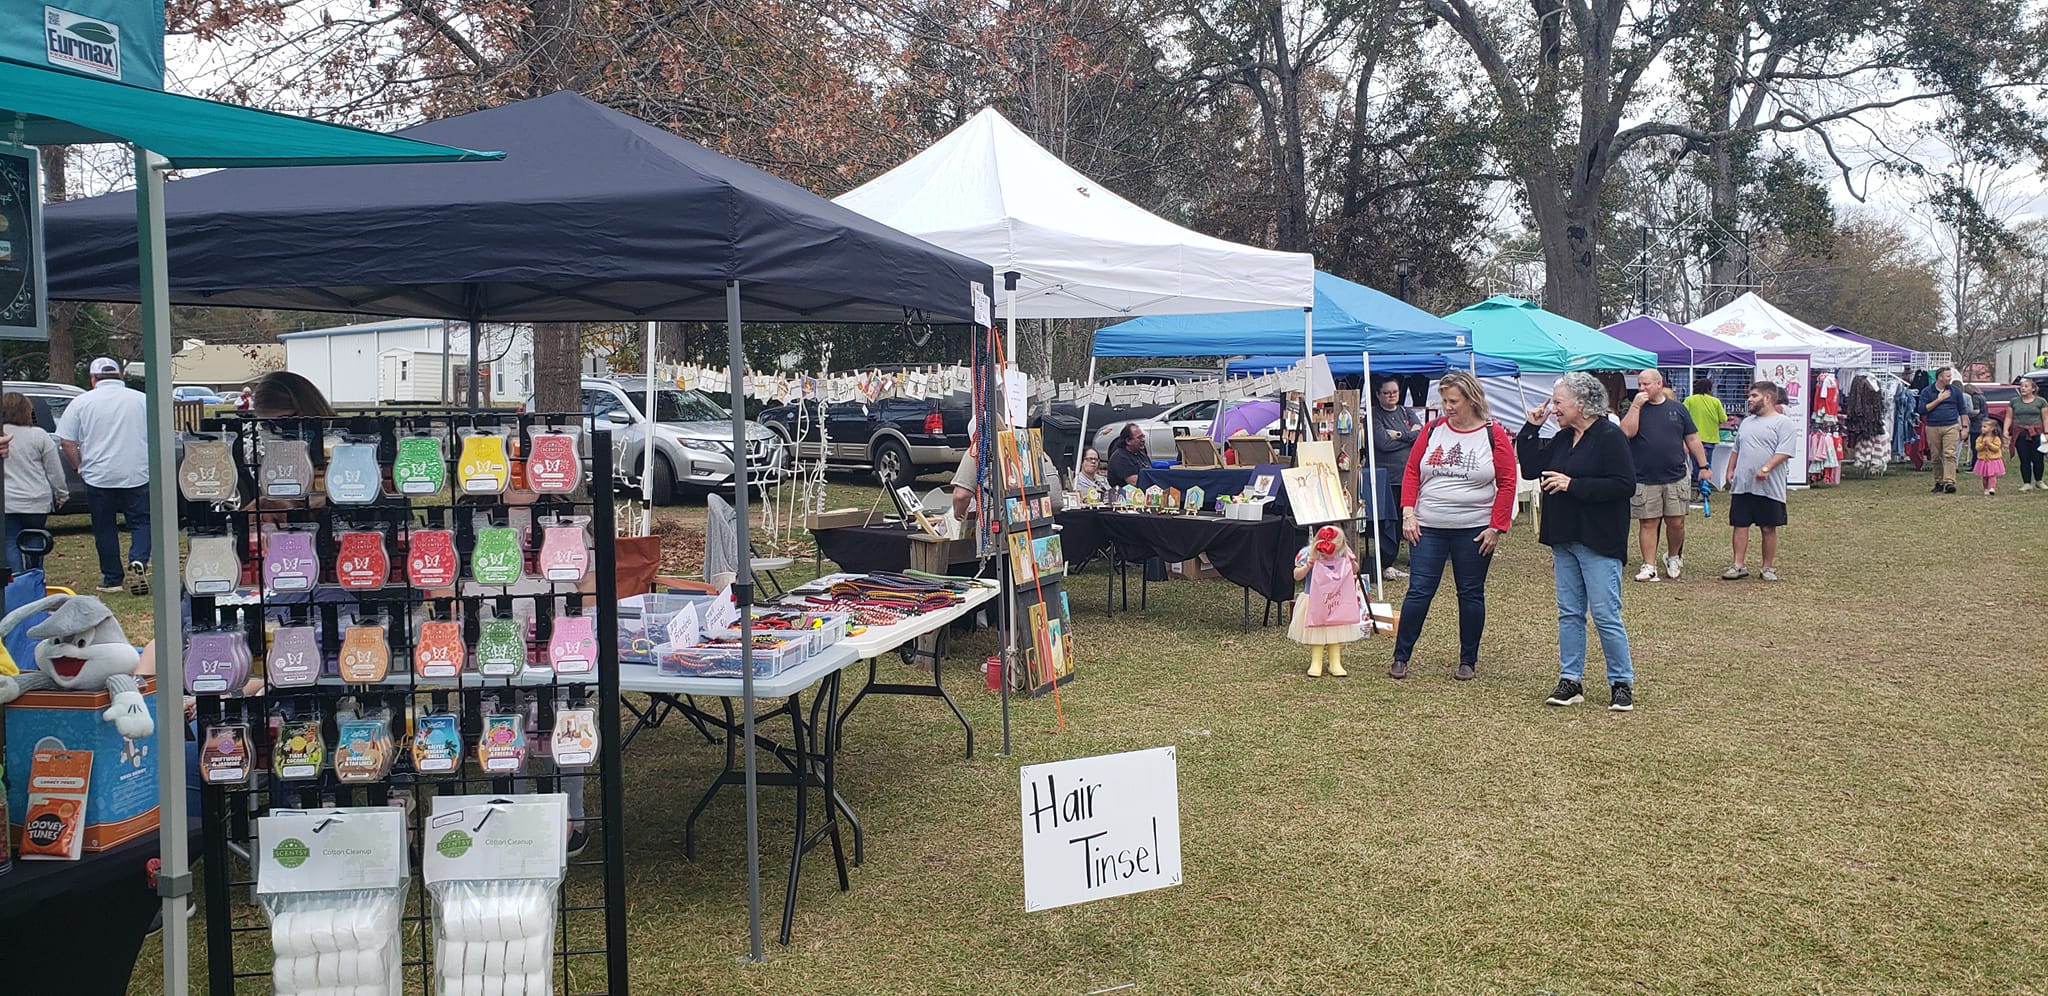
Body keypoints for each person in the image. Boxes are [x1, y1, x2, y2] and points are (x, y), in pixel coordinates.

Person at [1516, 371, 1638, 712]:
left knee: (1605, 614)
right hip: (1564, 536)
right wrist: (1531, 429)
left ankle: (1621, 683)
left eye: (1558, 402)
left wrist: (1574, 485)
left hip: (1598, 538)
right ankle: (1570, 680)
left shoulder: (1610, 437)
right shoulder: (1563, 437)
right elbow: (1531, 468)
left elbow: (1624, 484)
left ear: (1582, 404)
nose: (1553, 408)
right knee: (1569, 613)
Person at [1388, 371, 1514, 681]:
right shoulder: (1432, 429)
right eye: (1444, 400)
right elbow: (1412, 472)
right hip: (1428, 524)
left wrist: (1496, 527)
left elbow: (1508, 482)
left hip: (1474, 527)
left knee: (1470, 593)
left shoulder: (1493, 433)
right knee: (1419, 590)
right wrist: (1409, 513)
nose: (1448, 407)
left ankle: (1468, 660)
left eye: (1454, 401)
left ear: (1472, 400)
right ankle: (1401, 656)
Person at [55, 357, 151, 595]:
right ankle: (138, 558)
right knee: (141, 522)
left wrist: (78, 466)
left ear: (93, 378)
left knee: (104, 527)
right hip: (137, 471)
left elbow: (67, 441)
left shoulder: (81, 402)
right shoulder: (142, 400)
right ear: (120, 376)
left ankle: (112, 578)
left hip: (98, 474)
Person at [1620, 369, 1708, 582]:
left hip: (1675, 475)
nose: (1641, 389)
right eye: (1639, 384)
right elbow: (1626, 432)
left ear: (1659, 384)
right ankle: (1649, 565)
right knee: (1648, 522)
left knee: (1676, 522)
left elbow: (1692, 439)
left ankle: (1673, 556)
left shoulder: (1677, 409)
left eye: (1646, 384)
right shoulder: (1634, 408)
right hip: (1644, 476)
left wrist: (1703, 465)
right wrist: (1635, 407)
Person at [1719, 381, 1797, 581]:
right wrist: (1730, 469)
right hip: (1743, 484)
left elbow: (1785, 451)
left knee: (1768, 526)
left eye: (1754, 396)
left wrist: (1767, 467)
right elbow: (1736, 448)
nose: (1749, 399)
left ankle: (1767, 567)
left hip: (1769, 487)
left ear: (1767, 398)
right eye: (1749, 396)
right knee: (1740, 524)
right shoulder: (1746, 422)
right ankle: (1738, 565)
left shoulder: (1783, 423)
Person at [1, 392, 68, 573]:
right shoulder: (39, 435)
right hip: (35, 499)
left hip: (7, 500)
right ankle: (35, 575)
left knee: (9, 541)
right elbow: (54, 470)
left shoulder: (2, 436)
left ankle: (16, 578)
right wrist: (61, 493)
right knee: (35, 537)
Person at [1289, 525, 1362, 677]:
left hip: (1336, 599)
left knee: (1335, 628)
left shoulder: (1343, 553)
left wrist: (1352, 562)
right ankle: (1316, 661)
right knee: (1317, 629)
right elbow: (1296, 575)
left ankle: (1335, 662)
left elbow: (1354, 571)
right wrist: (1308, 565)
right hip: (1314, 599)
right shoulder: (1307, 553)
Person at [1369, 376, 1422, 579]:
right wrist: (1409, 435)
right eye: (1386, 393)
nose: (1391, 396)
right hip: (1386, 478)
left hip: (1408, 475)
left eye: (1394, 392)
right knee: (1389, 522)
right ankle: (1386, 562)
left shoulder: (1407, 412)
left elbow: (1421, 435)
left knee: (1410, 517)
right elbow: (1383, 443)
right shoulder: (1374, 415)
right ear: (1378, 394)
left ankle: (1415, 557)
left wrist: (1399, 435)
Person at [1918, 367, 1969, 493]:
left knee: (1949, 454)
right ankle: (1939, 482)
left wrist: (1964, 427)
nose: (1950, 379)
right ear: (1940, 377)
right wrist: (1939, 400)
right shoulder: (1927, 391)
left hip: (1951, 426)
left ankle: (1949, 482)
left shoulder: (1955, 391)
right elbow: (1922, 409)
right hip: (1933, 427)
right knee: (1936, 456)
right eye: (1948, 376)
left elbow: (1963, 410)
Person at [1683, 376, 1726, 481]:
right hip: (1710, 438)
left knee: (1696, 463)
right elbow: (1723, 418)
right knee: (1706, 463)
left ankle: (1699, 483)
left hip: (1693, 438)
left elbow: (1682, 415)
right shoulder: (1716, 401)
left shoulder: (1689, 400)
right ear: (1709, 389)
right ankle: (1704, 485)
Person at [2007, 377, 2045, 491]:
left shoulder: (2041, 402)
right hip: (2020, 433)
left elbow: (2046, 418)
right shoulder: (2014, 401)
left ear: (2033, 389)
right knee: (2024, 459)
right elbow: (2009, 417)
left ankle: (2039, 481)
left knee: (2038, 458)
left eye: (2026, 386)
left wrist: (2046, 432)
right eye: (2022, 386)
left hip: (2036, 433)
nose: (2023, 388)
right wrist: (2005, 430)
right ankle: (2027, 483)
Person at [1106, 423, 1147, 487]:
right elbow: (1135, 482)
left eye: (1143, 436)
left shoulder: (1141, 454)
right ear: (1128, 441)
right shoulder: (1120, 457)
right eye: (1139, 437)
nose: (1143, 440)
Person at [1973, 416, 2006, 496]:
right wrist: (1983, 445)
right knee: (1984, 476)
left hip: (1993, 460)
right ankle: (1985, 489)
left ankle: (1992, 488)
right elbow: (1977, 448)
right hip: (1983, 460)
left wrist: (1990, 445)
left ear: (1992, 428)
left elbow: (1997, 448)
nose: (1982, 428)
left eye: (1985, 427)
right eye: (1982, 426)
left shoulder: (1996, 438)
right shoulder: (1980, 438)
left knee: (1992, 475)